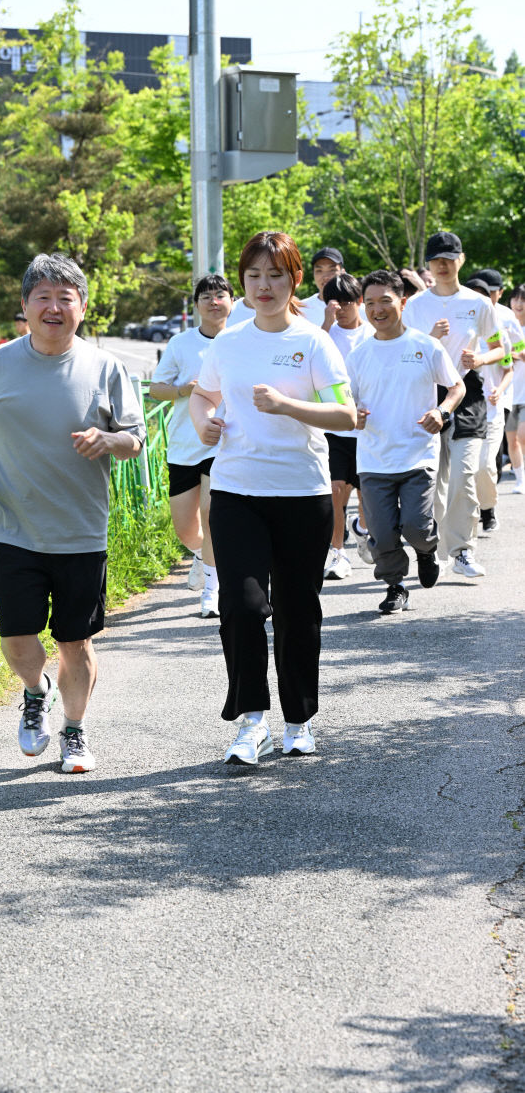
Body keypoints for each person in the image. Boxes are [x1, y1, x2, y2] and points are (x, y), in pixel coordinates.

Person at [0, 253, 146, 773]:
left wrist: (108, 439)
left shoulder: (105, 367)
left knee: (74, 642)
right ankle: (36, 692)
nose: (54, 307)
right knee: (17, 639)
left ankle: (75, 732)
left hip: (80, 530)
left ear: (82, 308)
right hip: (12, 525)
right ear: (25, 305)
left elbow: (136, 438)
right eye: (44, 297)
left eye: (66, 298)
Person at [189, 231, 356, 766]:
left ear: (295, 280)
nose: (264, 286)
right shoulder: (229, 342)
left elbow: (345, 414)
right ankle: (251, 720)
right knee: (241, 604)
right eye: (254, 275)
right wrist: (204, 423)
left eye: (275, 275)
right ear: (243, 282)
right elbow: (202, 392)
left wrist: (288, 405)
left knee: (296, 609)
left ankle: (299, 719)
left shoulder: (313, 342)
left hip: (302, 494)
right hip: (237, 490)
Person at [346, 270, 464, 614]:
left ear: (403, 302)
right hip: (373, 458)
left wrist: (441, 411)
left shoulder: (425, 346)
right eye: (369, 303)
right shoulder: (359, 355)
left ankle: (426, 551)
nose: (377, 309)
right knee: (382, 536)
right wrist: (353, 413)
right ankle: (395, 586)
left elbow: (456, 387)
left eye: (385, 301)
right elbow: (344, 402)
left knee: (416, 526)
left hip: (418, 454)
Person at [404, 231, 504, 578]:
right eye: (436, 260)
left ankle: (462, 550)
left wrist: (480, 357)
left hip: (469, 394)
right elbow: (403, 351)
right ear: (429, 264)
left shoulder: (478, 304)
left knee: (466, 473)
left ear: (461, 260)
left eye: (449, 258)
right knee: (434, 482)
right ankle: (433, 550)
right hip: (426, 395)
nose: (443, 265)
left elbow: (499, 347)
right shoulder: (416, 306)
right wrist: (429, 339)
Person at [148, 274, 234, 617]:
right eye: (206, 296)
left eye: (221, 295)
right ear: (196, 304)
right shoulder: (181, 344)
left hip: (224, 443)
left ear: (231, 301)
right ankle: (202, 555)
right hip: (185, 443)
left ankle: (212, 589)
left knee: (212, 514)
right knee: (185, 528)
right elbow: (156, 388)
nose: (214, 301)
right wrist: (184, 390)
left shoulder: (242, 340)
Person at [319, 272, 375, 578]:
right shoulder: (324, 334)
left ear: (360, 302)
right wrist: (326, 323)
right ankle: (338, 553)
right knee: (335, 490)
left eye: (347, 302)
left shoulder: (371, 333)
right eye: (334, 302)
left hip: (367, 427)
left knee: (367, 493)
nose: (341, 308)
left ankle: (363, 530)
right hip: (334, 426)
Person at [464, 277, 513, 531]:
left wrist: (499, 391)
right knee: (467, 469)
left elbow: (508, 370)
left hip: (492, 411)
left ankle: (488, 507)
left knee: (484, 466)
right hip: (465, 411)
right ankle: (472, 515)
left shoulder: (498, 334)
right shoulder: (458, 332)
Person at [505, 283, 525, 494]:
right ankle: (521, 480)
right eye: (516, 299)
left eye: (523, 300)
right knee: (512, 440)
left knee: (522, 436)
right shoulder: (504, 327)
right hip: (508, 393)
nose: (519, 304)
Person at [300, 246, 345, 327]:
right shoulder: (301, 309)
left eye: (332, 270)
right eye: (319, 271)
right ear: (313, 274)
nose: (325, 277)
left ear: (343, 273)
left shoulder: (359, 309)